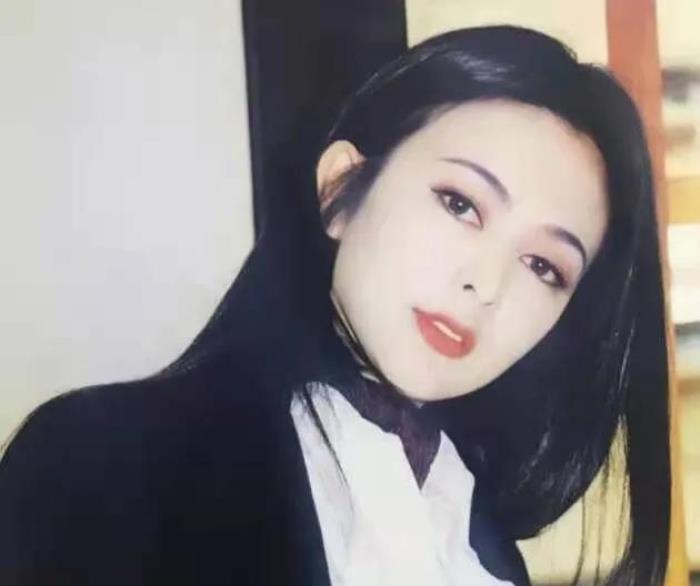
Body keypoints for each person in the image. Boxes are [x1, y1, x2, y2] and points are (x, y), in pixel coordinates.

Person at [0, 25, 670, 586]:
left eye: (544, 266)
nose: (487, 284)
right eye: (460, 204)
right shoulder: (98, 467)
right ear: (340, 189)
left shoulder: (483, 550)